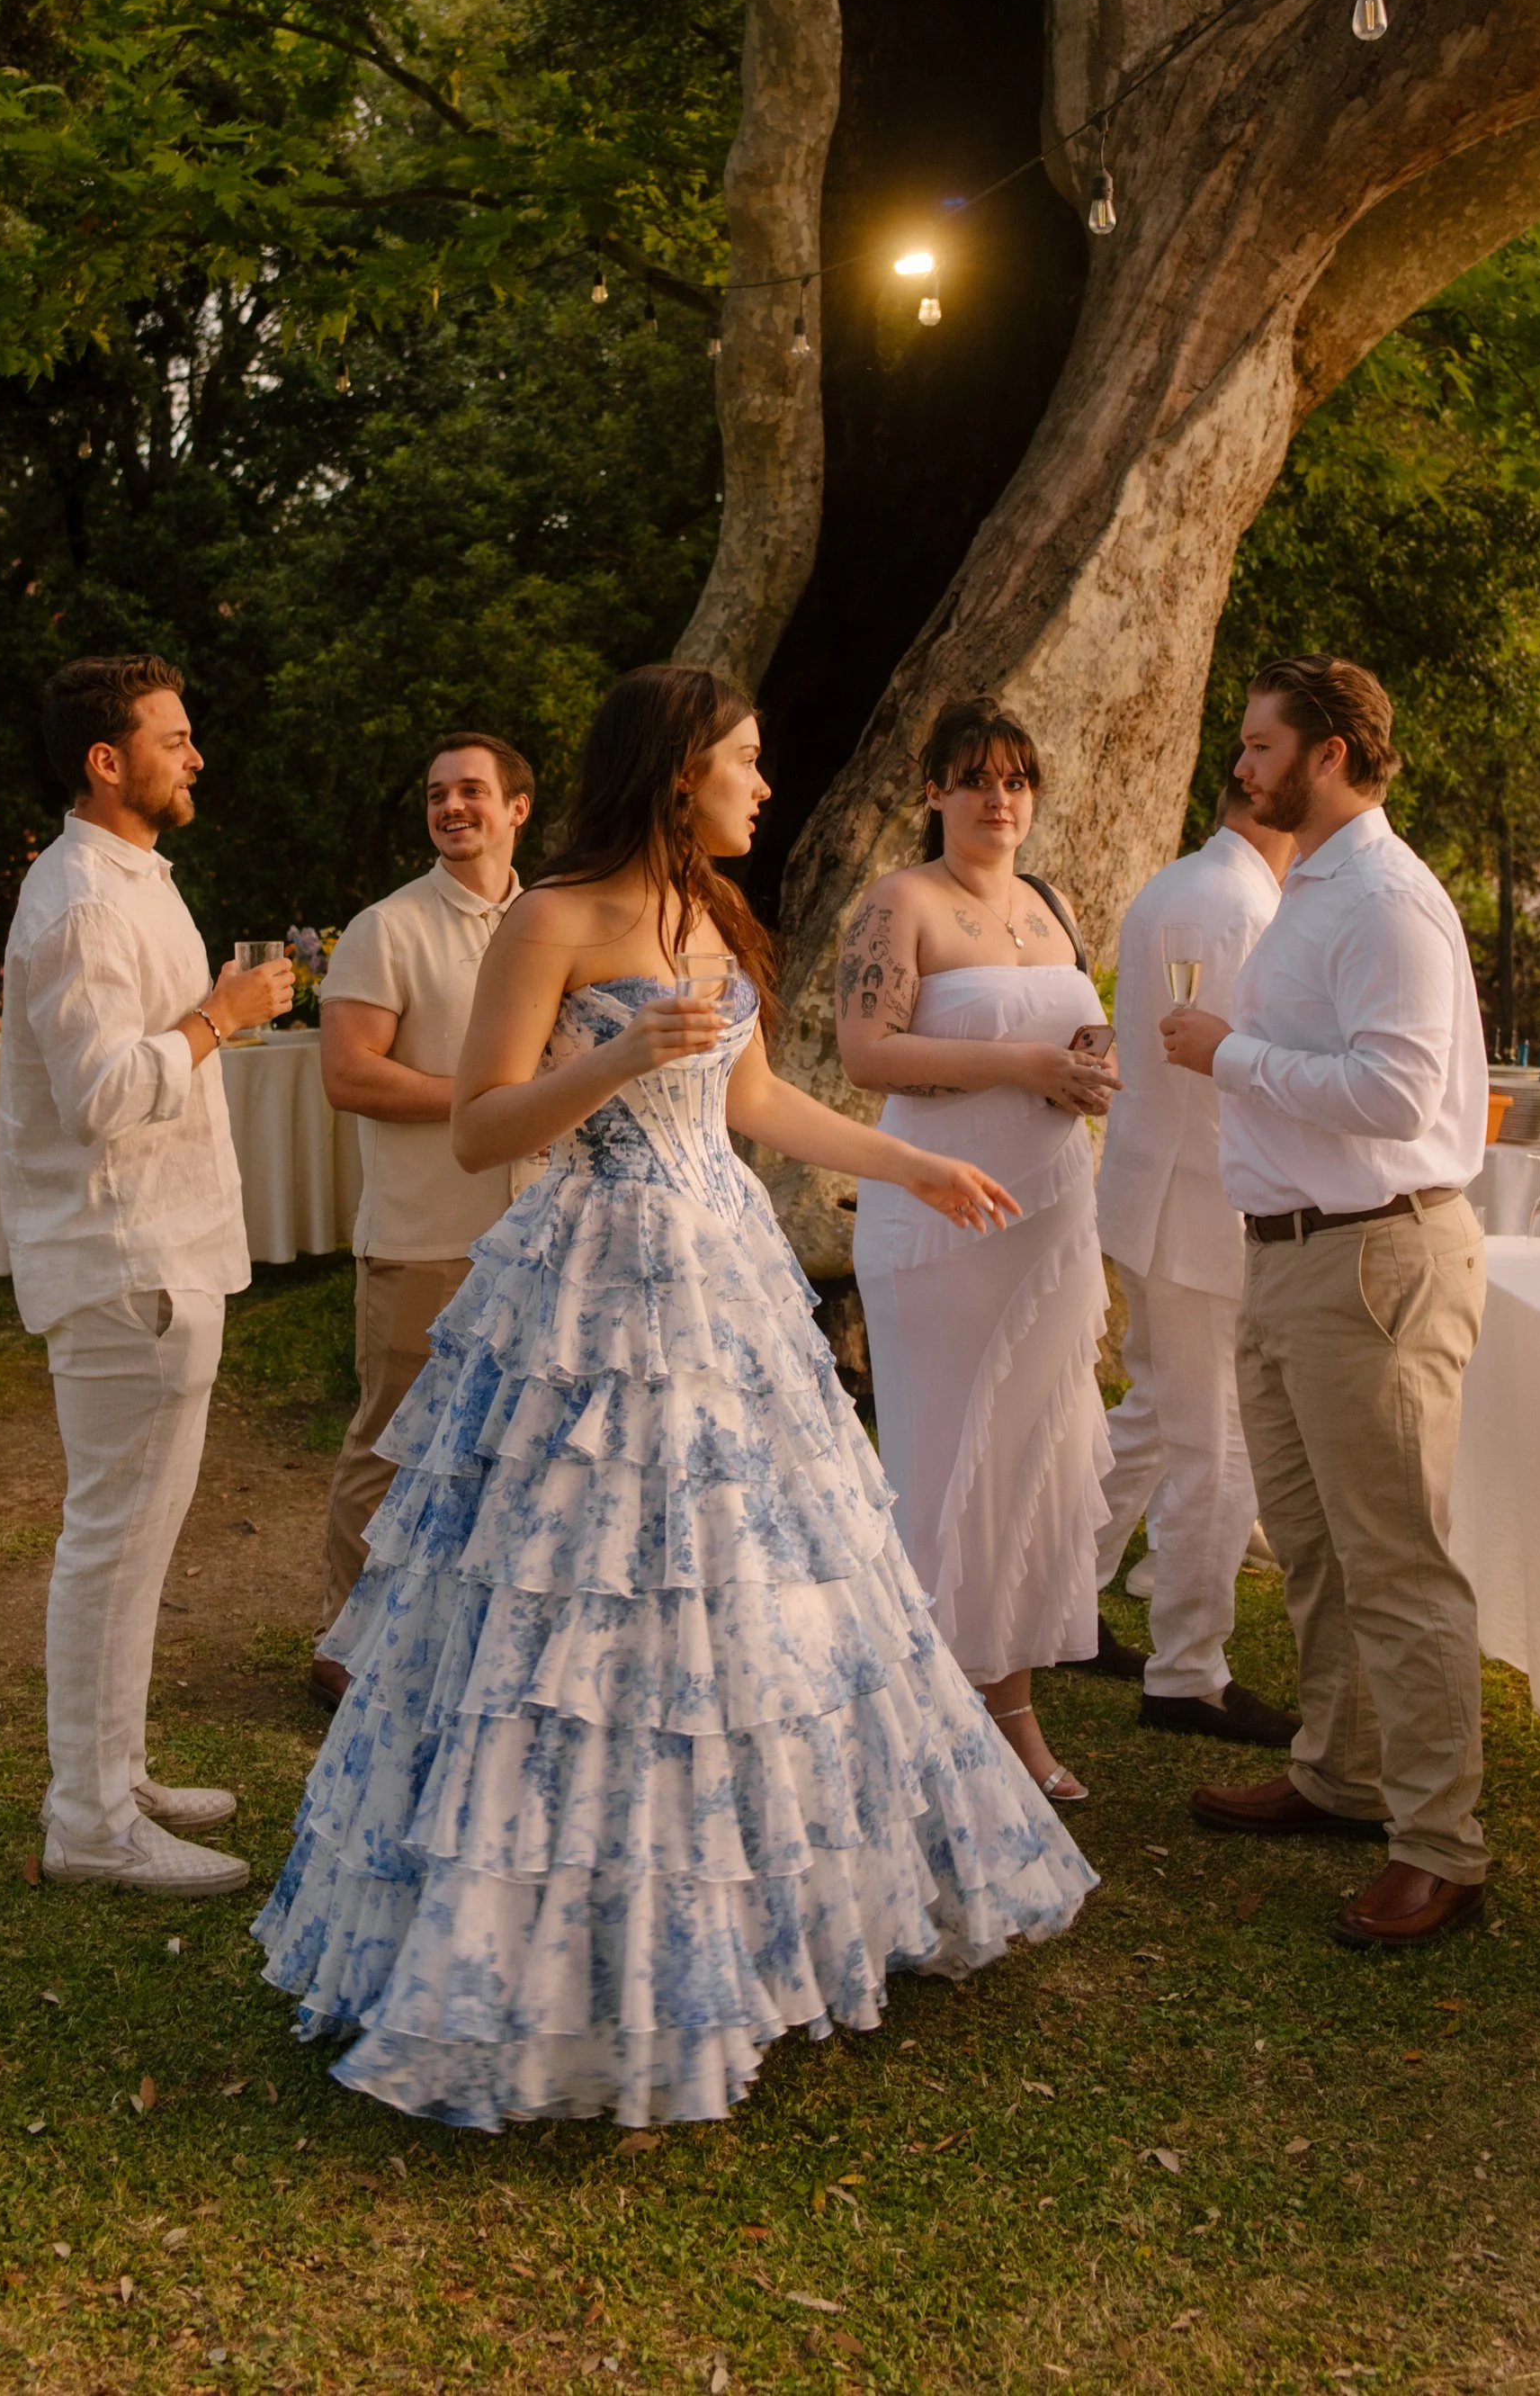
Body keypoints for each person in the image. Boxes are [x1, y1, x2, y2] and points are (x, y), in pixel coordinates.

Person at [254, 664, 1096, 2129]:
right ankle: (545, 1951)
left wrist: (912, 1159)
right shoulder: (554, 916)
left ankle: (765, 1919)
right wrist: (620, 1059)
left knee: (757, 1579)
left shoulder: (711, 911)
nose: (763, 783)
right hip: (593, 1281)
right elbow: (480, 1128)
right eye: (745, 759)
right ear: (678, 767)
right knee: (574, 1594)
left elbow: (755, 1102)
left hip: (726, 1280)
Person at [1161, 654, 1491, 1951]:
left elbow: (1397, 1096)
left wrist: (1229, 1053)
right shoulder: (1314, 885)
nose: (1241, 764)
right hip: (1293, 1253)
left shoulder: (1389, 902)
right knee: (1311, 1544)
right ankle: (1341, 1773)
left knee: (1395, 1562)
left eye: (1259, 745)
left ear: (1330, 754)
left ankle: (1440, 1845)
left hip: (1373, 1258)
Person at [0, 656, 294, 1898]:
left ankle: (114, 1772)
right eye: (174, 739)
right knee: (113, 1544)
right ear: (106, 760)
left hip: (164, 1247)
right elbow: (102, 1096)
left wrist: (217, 1014)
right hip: (125, 1261)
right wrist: (223, 1015)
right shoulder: (79, 901)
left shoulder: (133, 880)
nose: (196, 756)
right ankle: (89, 1820)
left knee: (138, 1542)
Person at [837, 697, 1115, 1809]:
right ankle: (921, 1718)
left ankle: (1009, 1713)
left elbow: (1069, 1036)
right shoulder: (898, 902)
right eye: (976, 780)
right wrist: (1026, 1066)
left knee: (1030, 1464)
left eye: (1015, 781)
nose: (999, 799)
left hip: (1051, 1217)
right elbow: (867, 1054)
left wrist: (1087, 1060)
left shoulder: (1051, 905)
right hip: (940, 1225)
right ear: (934, 792)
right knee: (944, 1458)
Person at [313, 731, 537, 1698]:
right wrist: (484, 1104)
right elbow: (348, 1074)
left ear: (517, 808)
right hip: (425, 1234)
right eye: (438, 793)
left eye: (471, 791)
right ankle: (346, 1649)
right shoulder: (386, 928)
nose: (452, 807)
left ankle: (466, 1641)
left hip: (539, 1235)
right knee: (392, 1444)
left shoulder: (554, 923)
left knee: (510, 1448)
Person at [1089, 772, 1299, 1745]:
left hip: (1161, 1192)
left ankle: (1064, 1591)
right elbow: (1223, 1074)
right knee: (1220, 1439)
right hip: (1201, 1204)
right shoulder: (1236, 905)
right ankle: (1187, 1672)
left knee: (1157, 1415)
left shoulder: (1187, 883)